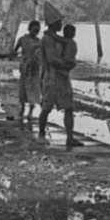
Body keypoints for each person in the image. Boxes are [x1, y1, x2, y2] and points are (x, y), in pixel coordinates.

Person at [38, 18, 81, 150]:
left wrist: (67, 66)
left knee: (69, 107)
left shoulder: (58, 39)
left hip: (63, 77)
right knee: (47, 107)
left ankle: (70, 137)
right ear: (54, 24)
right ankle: (41, 134)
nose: (61, 25)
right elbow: (52, 59)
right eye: (59, 23)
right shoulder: (47, 39)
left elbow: (63, 42)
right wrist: (66, 66)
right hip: (52, 77)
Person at [9, 19, 43, 128]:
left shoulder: (39, 42)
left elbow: (43, 55)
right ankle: (22, 108)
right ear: (29, 29)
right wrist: (14, 55)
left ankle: (30, 112)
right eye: (34, 30)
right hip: (25, 67)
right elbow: (14, 51)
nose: (35, 32)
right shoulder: (22, 39)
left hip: (35, 68)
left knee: (34, 89)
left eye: (37, 30)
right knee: (23, 89)